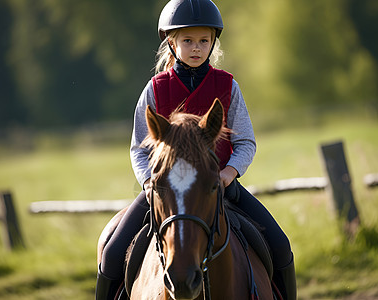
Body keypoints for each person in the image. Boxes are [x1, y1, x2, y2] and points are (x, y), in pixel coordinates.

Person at [96, 0, 296, 299]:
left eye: (204, 40)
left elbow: (245, 142)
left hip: (219, 187)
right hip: (165, 190)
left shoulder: (228, 86)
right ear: (172, 43)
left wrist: (229, 173)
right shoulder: (155, 88)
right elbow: (139, 148)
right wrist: (150, 182)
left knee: (280, 247)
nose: (196, 48)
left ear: (213, 42)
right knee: (112, 253)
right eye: (188, 40)